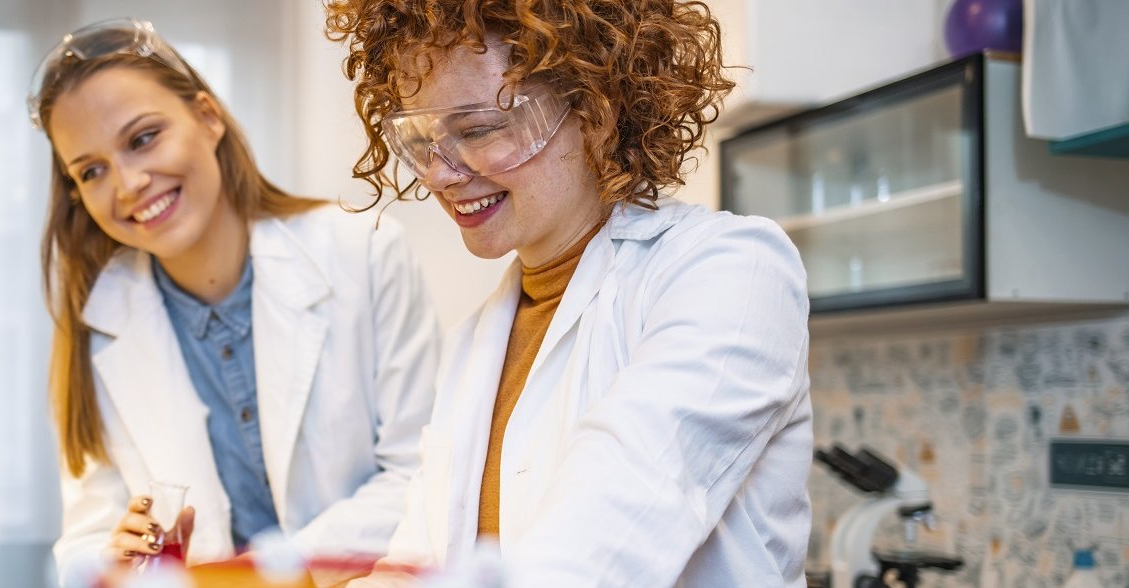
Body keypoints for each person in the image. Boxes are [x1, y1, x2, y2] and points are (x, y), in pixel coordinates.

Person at [326, 1, 813, 585]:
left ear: (597, 113)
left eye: (479, 129)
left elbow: (604, 535)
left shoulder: (730, 271)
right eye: (423, 138)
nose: (439, 173)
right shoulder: (475, 343)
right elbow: (414, 565)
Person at [27, 18, 440, 586]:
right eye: (91, 170)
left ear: (208, 116)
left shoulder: (365, 252)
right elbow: (85, 539)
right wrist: (114, 559)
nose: (126, 184)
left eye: (143, 138)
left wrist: (263, 574)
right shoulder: (96, 322)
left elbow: (418, 475)